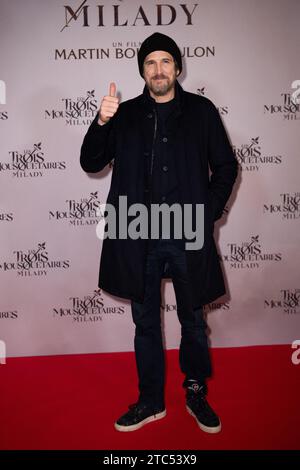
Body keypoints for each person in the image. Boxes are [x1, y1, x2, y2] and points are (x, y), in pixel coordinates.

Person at [80, 32, 238, 434]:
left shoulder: (202, 111)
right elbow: (91, 161)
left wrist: (206, 213)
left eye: (165, 61)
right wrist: (101, 121)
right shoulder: (126, 114)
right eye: (150, 63)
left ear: (178, 67)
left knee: (193, 321)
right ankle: (150, 401)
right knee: (146, 324)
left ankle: (195, 391)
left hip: (188, 234)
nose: (159, 69)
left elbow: (225, 168)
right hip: (139, 237)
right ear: (143, 72)